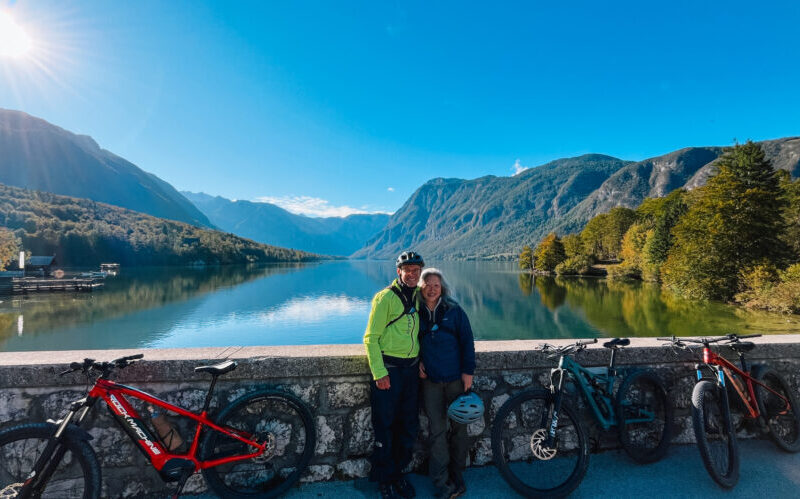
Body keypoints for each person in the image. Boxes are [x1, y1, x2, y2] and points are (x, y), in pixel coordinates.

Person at [364, 251, 425, 499]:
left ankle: (398, 473)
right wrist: (379, 372)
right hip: (389, 370)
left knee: (408, 426)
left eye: (416, 270)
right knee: (385, 426)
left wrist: (420, 361)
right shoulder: (385, 298)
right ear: (398, 272)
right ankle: (384, 479)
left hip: (411, 371)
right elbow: (371, 338)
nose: (412, 274)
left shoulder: (419, 298)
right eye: (407, 270)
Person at [418, 268, 475, 499]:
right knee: (437, 431)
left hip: (454, 380)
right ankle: (441, 483)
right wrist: (417, 362)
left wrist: (467, 373)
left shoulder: (454, 311)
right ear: (421, 288)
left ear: (443, 289)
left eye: (436, 285)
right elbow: (409, 341)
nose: (432, 288)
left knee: (459, 429)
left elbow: (467, 342)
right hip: (430, 381)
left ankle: (457, 473)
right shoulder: (415, 312)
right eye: (428, 284)